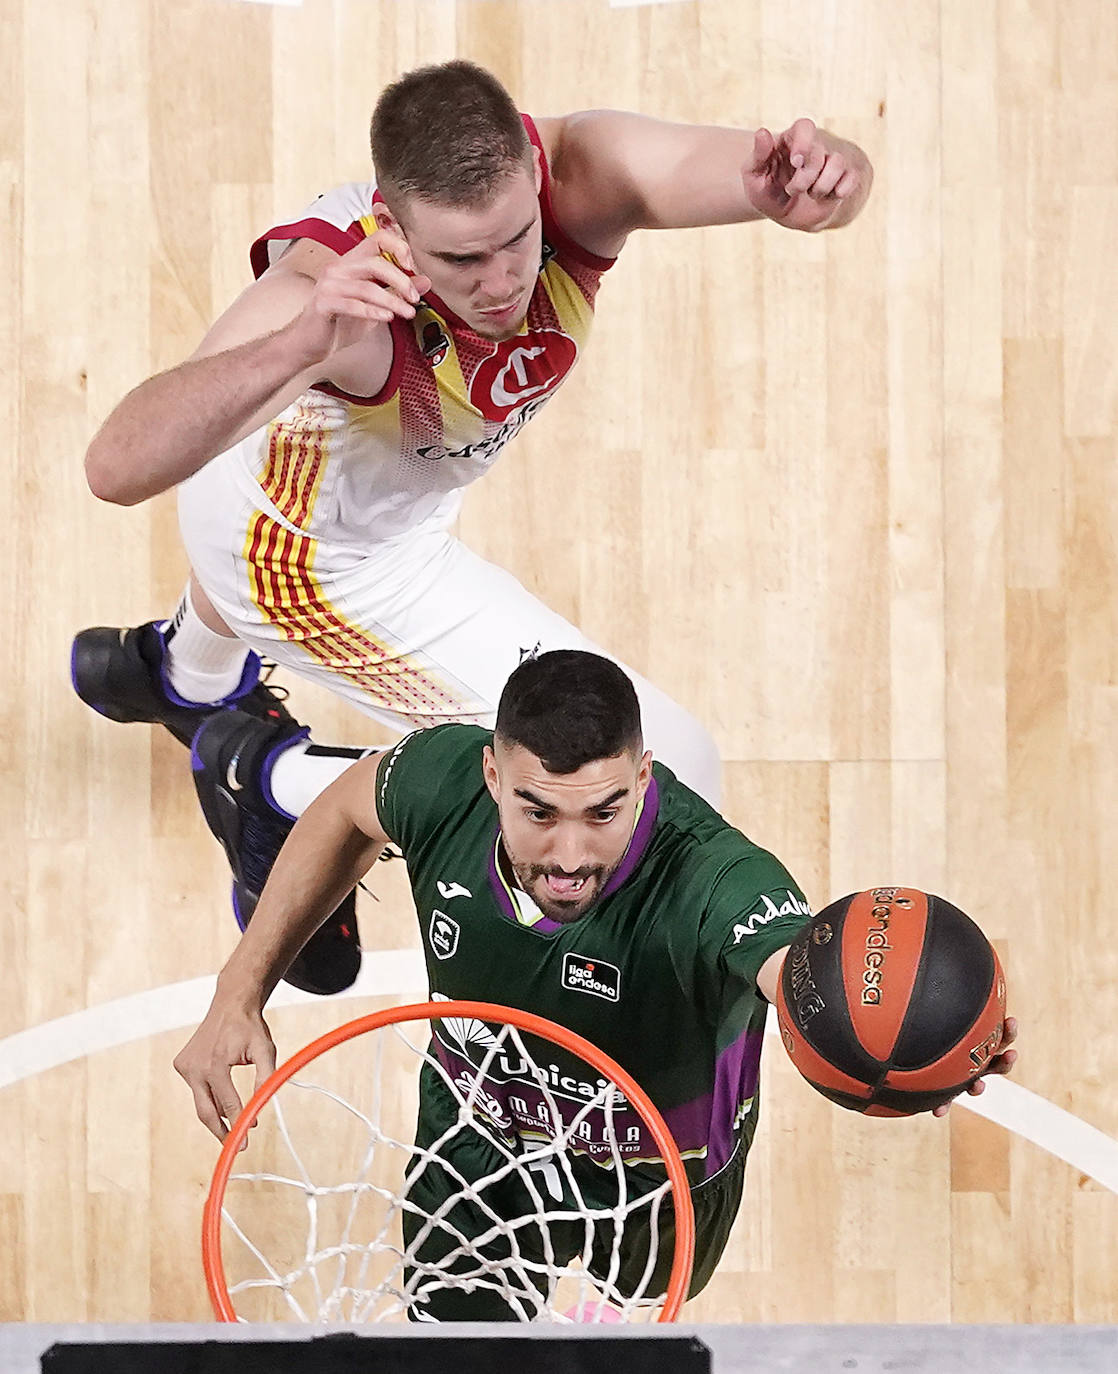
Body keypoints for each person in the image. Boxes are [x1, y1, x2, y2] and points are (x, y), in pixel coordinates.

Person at [74, 60, 875, 993]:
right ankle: (263, 780)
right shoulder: (339, 298)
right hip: (303, 562)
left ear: (536, 181)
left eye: (515, 241)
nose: (500, 283)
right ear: (397, 231)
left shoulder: (588, 169)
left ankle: (183, 674)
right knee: (650, 764)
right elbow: (113, 467)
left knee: (374, 483)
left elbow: (789, 178)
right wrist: (302, 342)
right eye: (460, 261)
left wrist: (832, 181)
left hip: (359, 493)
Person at [174, 650, 1017, 1321]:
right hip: (478, 1135)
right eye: (540, 811)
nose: (571, 854)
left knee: (640, 1317)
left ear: (644, 779)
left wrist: (908, 1038)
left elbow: (791, 966)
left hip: (656, 1171)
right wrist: (238, 989)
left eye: (604, 812)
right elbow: (343, 809)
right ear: (492, 778)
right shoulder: (439, 779)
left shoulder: (715, 881)